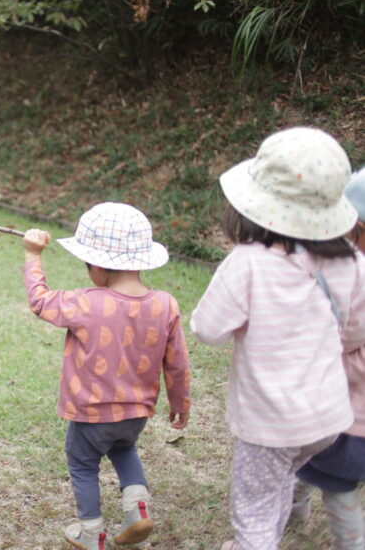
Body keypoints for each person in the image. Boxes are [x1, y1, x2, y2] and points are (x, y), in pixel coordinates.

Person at [190, 128, 365, 550]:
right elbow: (354, 332)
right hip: (327, 418)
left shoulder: (247, 264)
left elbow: (207, 329)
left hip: (270, 423)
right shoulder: (352, 261)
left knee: (253, 508)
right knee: (283, 477)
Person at [21, 202, 191, 550]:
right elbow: (177, 363)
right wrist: (180, 402)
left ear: (97, 265)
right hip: (136, 412)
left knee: (83, 463)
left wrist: (33, 256)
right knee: (124, 448)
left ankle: (91, 531)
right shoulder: (165, 304)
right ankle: (137, 507)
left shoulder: (85, 302)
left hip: (90, 414)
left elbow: (39, 301)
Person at [290, 166, 365, 550]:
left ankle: (350, 543)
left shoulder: (359, 275)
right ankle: (295, 507)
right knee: (313, 463)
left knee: (338, 484)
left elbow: (346, 338)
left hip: (348, 414)